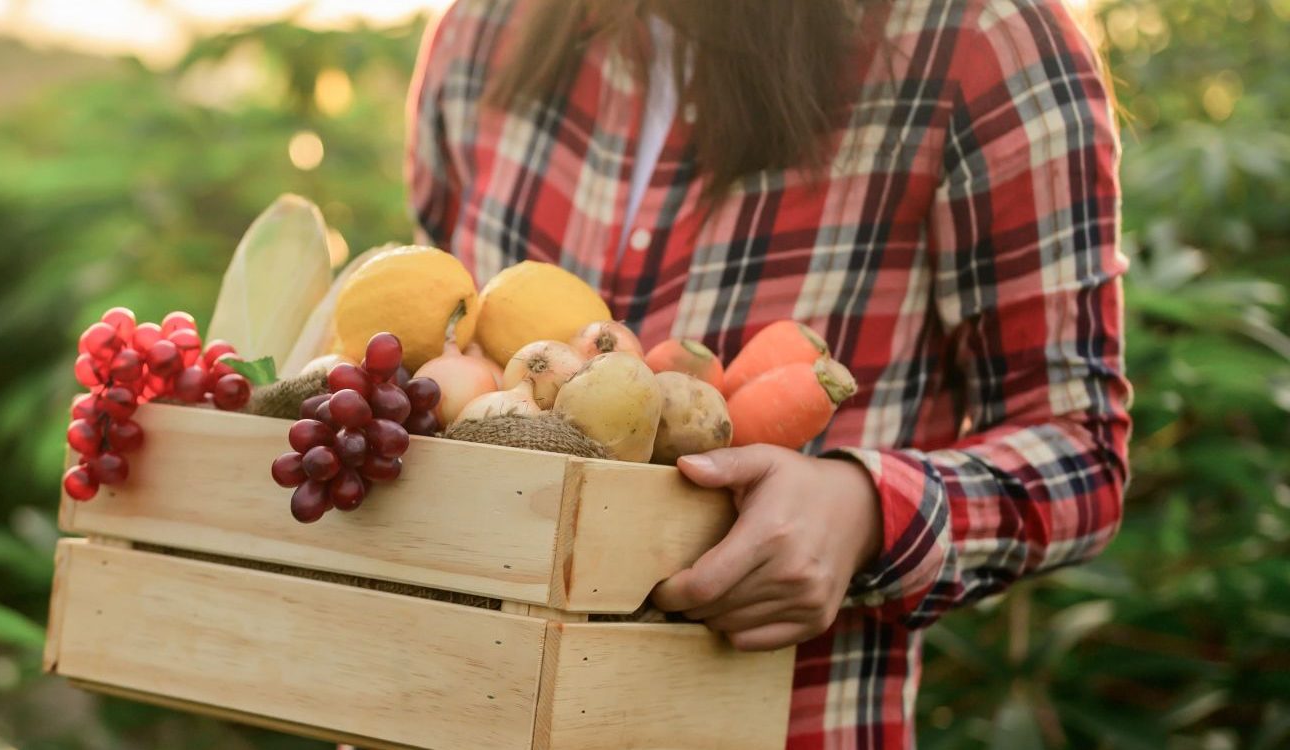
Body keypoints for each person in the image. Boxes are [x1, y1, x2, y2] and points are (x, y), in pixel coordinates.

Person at [405, 0, 1130, 747]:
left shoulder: (981, 41)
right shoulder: (481, 29)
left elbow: (1083, 450)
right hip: (447, 713)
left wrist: (864, 511)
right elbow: (437, 362)